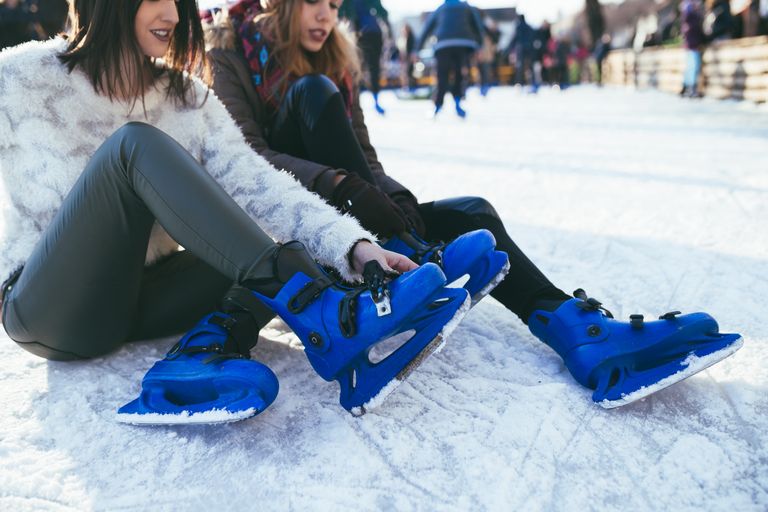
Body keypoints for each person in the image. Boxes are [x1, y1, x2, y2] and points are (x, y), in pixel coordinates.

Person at [206, 0, 743, 410]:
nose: (327, 15)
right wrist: (345, 185)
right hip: (301, 234)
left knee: (472, 211)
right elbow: (246, 158)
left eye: (334, 4)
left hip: (364, 219)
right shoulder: (230, 53)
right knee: (312, 92)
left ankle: (581, 336)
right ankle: (402, 264)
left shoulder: (335, 57)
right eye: (313, 3)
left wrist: (393, 201)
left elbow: (365, 155)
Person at [0, 0, 472, 424]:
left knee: (263, 233)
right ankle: (321, 311)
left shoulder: (187, 97)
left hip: (145, 299)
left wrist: (356, 247)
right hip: (52, 307)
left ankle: (237, 343)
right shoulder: (20, 77)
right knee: (133, 146)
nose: (172, 15)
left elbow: (262, 186)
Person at [414, 0, 485, 117]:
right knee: (459, 74)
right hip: (463, 43)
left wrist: (416, 49)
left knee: (442, 75)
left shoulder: (440, 8)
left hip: (443, 45)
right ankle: (457, 102)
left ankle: (437, 106)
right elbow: (478, 26)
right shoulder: (466, 7)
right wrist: (480, 45)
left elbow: (426, 29)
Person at [339, 0, 389, 114]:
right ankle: (373, 102)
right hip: (373, 32)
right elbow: (383, 12)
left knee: (356, 70)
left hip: (359, 34)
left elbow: (340, 12)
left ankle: (356, 103)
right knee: (372, 69)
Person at [680, 0, 705, 97]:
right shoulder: (692, 17)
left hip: (690, 44)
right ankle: (691, 88)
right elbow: (697, 31)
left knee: (690, 66)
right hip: (693, 45)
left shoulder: (687, 16)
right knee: (693, 66)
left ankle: (686, 87)